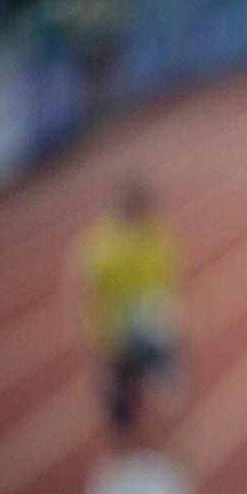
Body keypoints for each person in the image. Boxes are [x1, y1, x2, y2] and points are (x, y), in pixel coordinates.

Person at [75, 173, 184, 448]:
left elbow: (171, 277)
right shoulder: (105, 242)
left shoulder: (156, 233)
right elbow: (88, 287)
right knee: (126, 404)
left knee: (155, 398)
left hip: (149, 330)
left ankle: (151, 449)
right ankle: (137, 450)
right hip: (121, 333)